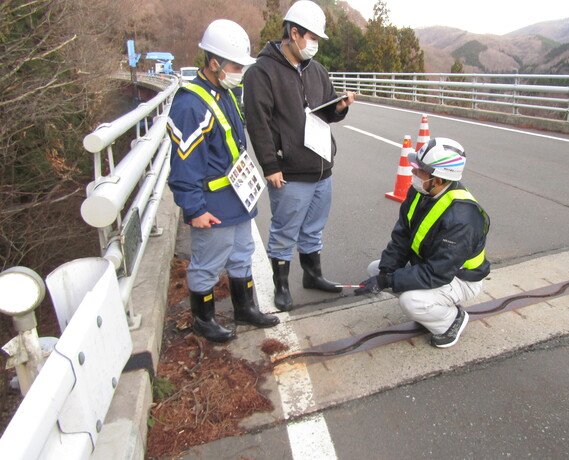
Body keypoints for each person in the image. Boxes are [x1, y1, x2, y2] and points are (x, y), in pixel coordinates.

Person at [167, 19, 279, 343]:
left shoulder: (226, 91)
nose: (240, 71)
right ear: (214, 62)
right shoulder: (191, 103)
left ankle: (245, 309)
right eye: (235, 65)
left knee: (243, 252)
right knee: (207, 264)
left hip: (238, 196)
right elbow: (184, 165)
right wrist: (194, 209)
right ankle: (203, 321)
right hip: (212, 204)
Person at [243, 0, 356, 311]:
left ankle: (312, 275)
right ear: (294, 33)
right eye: (312, 38)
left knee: (313, 227)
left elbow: (326, 112)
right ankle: (281, 286)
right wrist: (270, 165)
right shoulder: (261, 72)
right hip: (290, 172)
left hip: (321, 169)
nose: (315, 45)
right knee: (284, 230)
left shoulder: (317, 70)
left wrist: (339, 107)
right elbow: (258, 123)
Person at [355, 138, 491, 348]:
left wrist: (388, 281)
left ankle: (451, 320)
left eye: (419, 170)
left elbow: (438, 272)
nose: (413, 173)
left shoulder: (462, 218)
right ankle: (432, 306)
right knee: (375, 268)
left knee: (411, 301)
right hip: (431, 265)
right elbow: (401, 237)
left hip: (461, 278)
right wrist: (384, 273)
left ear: (437, 180)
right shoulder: (420, 192)